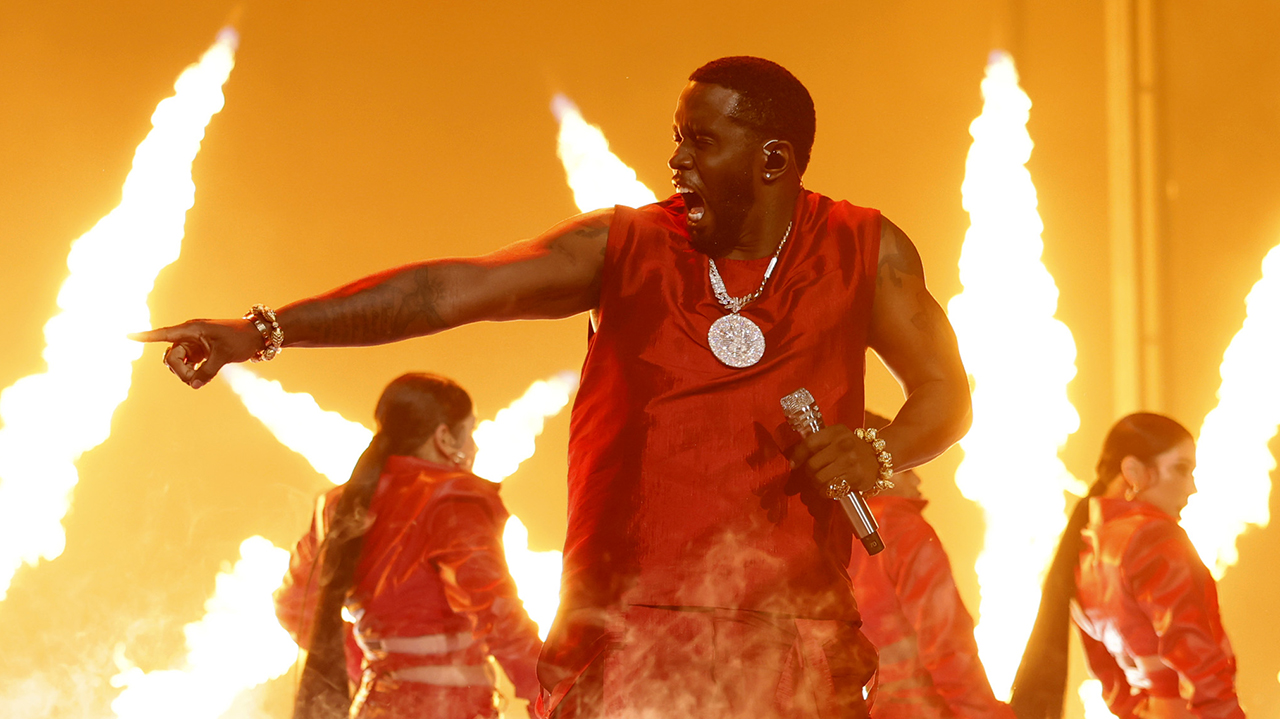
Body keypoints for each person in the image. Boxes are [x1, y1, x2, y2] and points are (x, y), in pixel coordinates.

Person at [133, 56, 971, 718]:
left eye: (699, 142)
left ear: (773, 158)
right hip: (624, 641)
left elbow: (945, 393)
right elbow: (449, 290)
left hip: (789, 647)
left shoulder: (867, 251)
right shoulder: (628, 246)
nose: (674, 160)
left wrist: (881, 446)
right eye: (675, 136)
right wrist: (264, 330)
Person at [274, 372, 543, 719]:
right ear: (444, 437)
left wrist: (373, 663)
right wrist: (549, 693)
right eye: (470, 432)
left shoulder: (341, 503)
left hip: (374, 706)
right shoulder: (451, 499)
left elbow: (293, 604)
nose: (474, 446)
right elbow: (497, 613)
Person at [1008, 413, 1245, 719]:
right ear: (1133, 471)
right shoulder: (1153, 538)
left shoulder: (1085, 548)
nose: (1192, 488)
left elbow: (1106, 672)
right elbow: (1194, 653)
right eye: (1181, 469)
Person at [847, 412, 1012, 719]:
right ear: (871, 464)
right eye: (906, 465)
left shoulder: (830, 534)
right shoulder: (901, 530)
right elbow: (947, 645)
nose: (918, 479)